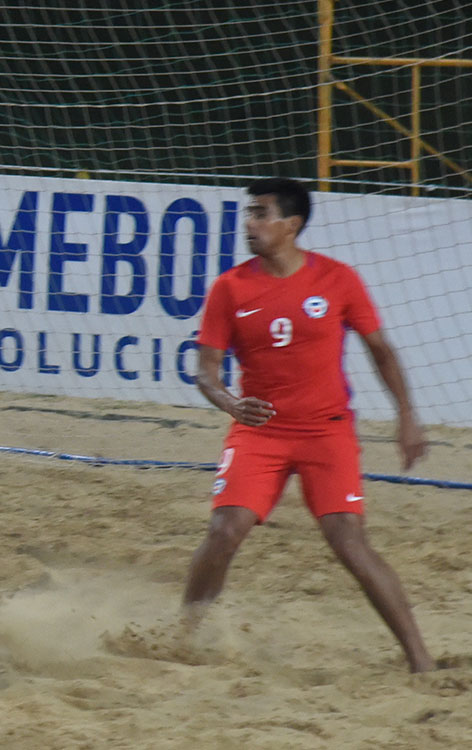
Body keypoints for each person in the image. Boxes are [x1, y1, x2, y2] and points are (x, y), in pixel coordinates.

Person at [180, 177, 434, 673]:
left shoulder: (338, 279)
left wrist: (407, 418)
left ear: (291, 225)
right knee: (224, 529)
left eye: (260, 214)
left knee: (348, 540)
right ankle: (183, 636)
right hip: (260, 431)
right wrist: (231, 404)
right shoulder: (230, 287)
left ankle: (420, 660)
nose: (249, 224)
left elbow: (381, 351)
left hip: (326, 431)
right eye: (248, 213)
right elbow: (205, 373)